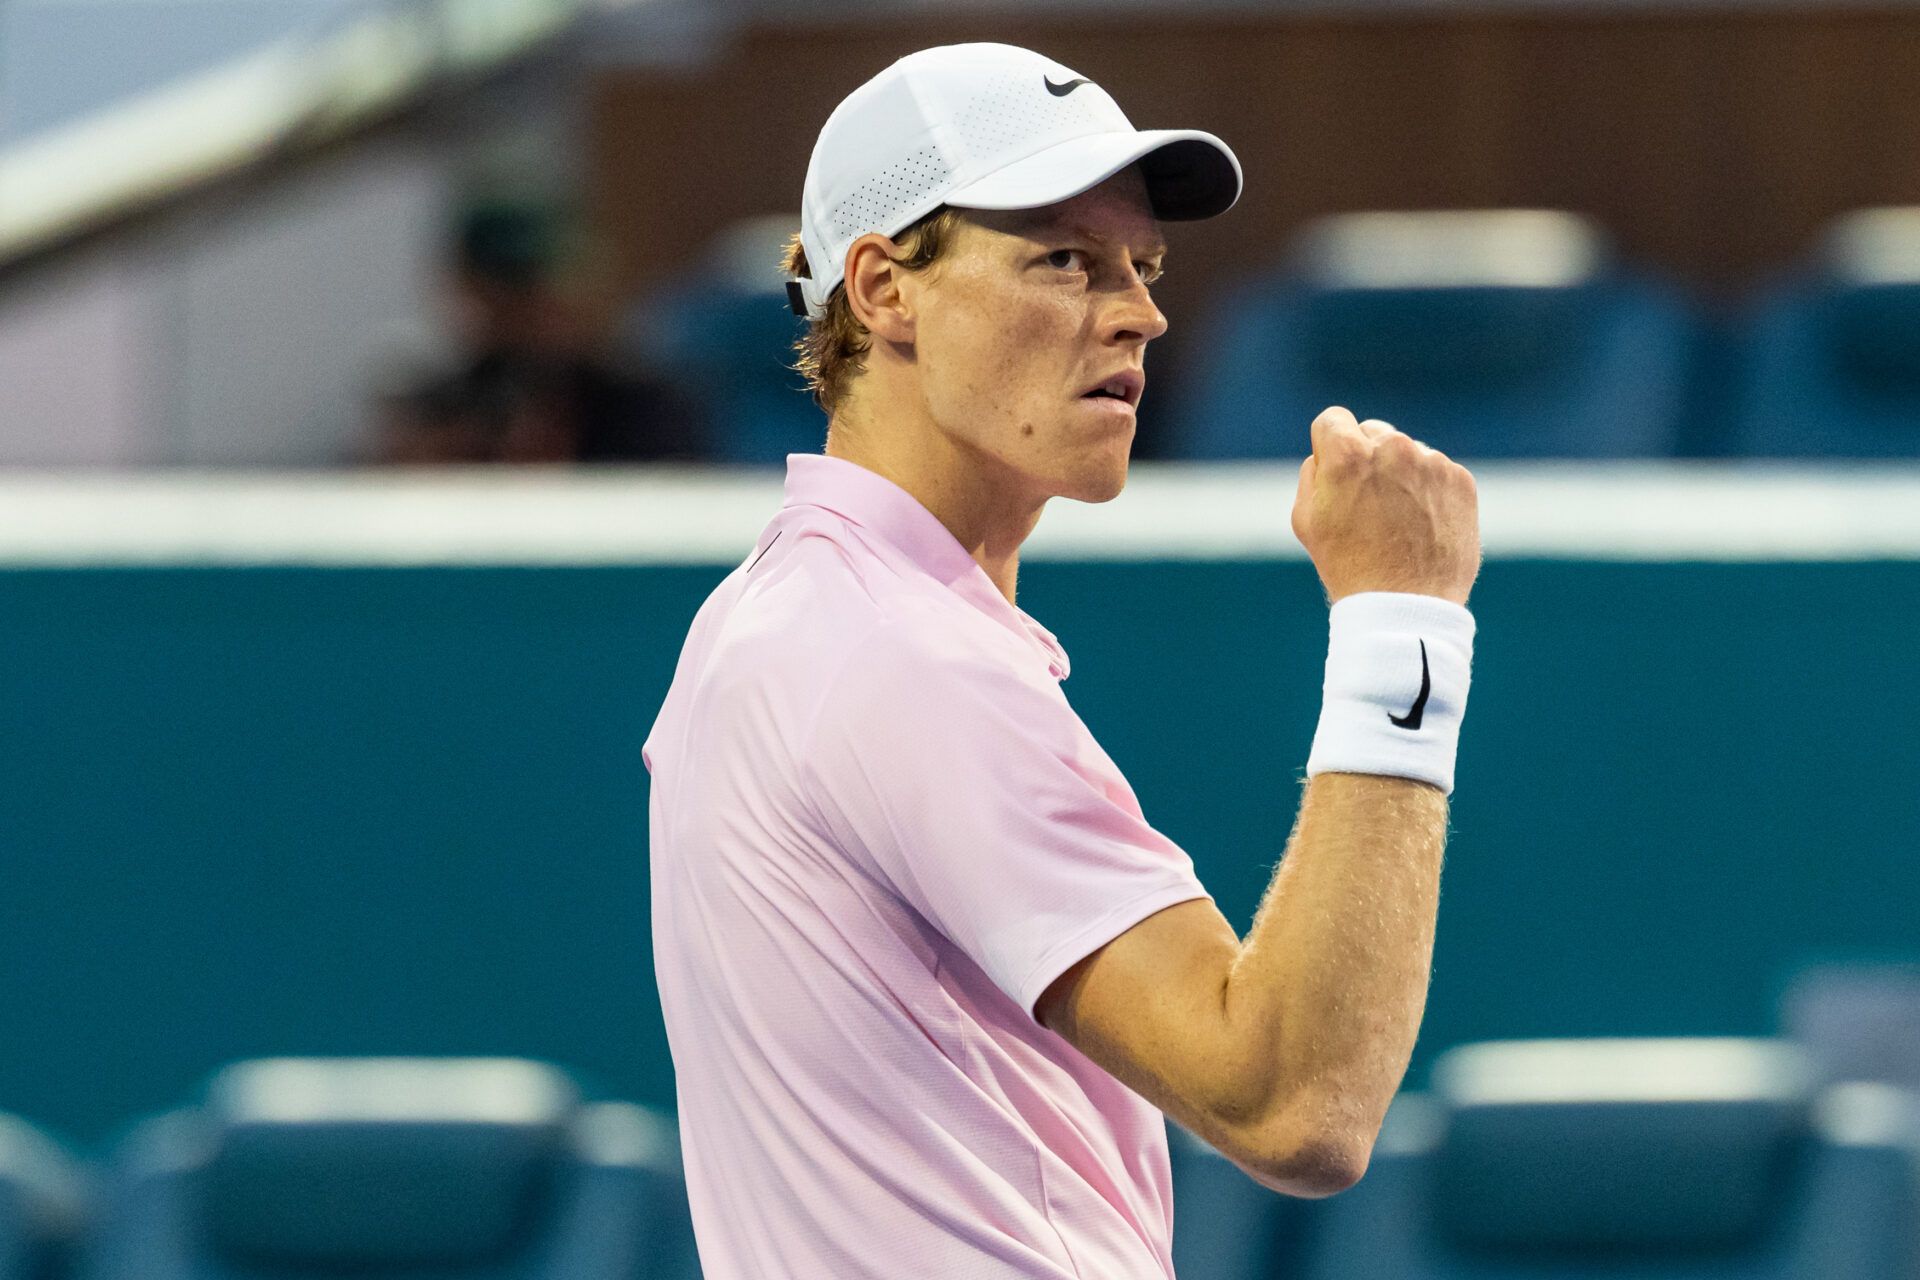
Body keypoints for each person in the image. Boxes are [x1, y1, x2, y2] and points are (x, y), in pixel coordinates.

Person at [644, 41, 1481, 1279]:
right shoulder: (900, 656)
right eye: (1063, 259)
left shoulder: (786, 619)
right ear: (883, 289)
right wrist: (1402, 619)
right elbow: (1293, 1098)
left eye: (1142, 266)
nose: (1139, 307)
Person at [371, 196, 706, 463]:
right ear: (472, 291)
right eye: (520, 291)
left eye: (562, 282)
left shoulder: (646, 407)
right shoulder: (435, 409)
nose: (550, 306)